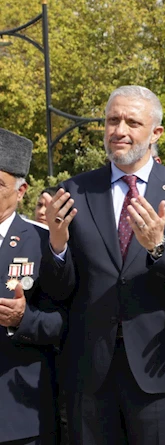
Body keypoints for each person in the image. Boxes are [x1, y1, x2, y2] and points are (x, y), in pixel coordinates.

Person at [41, 85, 165, 445]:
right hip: (90, 372)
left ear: (155, 133)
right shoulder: (75, 191)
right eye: (112, 120)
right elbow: (59, 290)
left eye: (132, 122)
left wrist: (159, 247)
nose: (120, 130)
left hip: (159, 370)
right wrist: (56, 245)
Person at [0, 129, 65, 445]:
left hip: (18, 410)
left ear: (21, 190)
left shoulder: (41, 243)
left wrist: (21, 320)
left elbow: (63, 321)